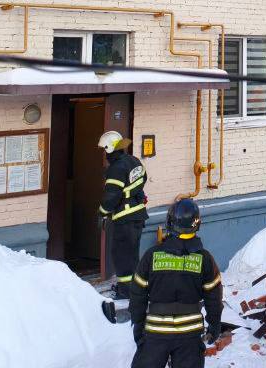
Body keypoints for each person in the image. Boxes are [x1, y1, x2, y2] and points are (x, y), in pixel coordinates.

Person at [128, 198, 223, 368]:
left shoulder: (151, 256)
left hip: (156, 333)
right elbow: (214, 298)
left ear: (170, 223)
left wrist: (138, 324)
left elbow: (137, 293)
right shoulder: (205, 259)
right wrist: (214, 325)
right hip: (190, 335)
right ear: (197, 224)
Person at [98, 130, 147, 299]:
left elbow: (111, 196)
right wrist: (131, 192)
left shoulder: (116, 169)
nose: (104, 154)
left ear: (110, 149)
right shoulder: (133, 160)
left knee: (122, 256)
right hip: (138, 215)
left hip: (124, 218)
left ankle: (126, 291)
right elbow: (143, 178)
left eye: (104, 150)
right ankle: (135, 288)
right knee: (132, 255)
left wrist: (102, 212)